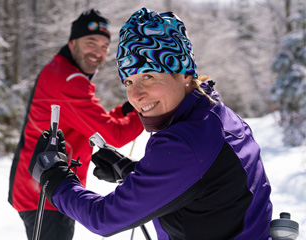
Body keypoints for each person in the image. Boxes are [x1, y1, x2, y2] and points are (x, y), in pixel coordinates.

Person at [27, 8, 273, 240]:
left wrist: (54, 177)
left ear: (185, 73)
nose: (136, 95)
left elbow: (103, 218)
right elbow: (198, 180)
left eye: (148, 76)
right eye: (129, 82)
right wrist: (128, 169)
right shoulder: (215, 114)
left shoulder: (185, 141)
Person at [8, 9, 143, 240]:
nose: (98, 52)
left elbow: (96, 121)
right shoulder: (68, 81)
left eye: (104, 46)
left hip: (46, 186)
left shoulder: (63, 72)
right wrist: (147, 107)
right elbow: (115, 134)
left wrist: (128, 109)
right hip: (44, 193)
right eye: (91, 42)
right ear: (72, 44)